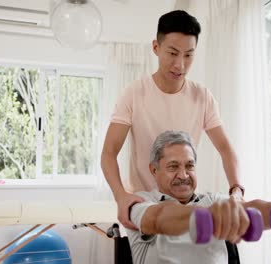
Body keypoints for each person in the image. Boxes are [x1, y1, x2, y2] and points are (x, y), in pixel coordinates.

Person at [101, 10, 243, 230]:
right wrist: (121, 196)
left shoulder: (202, 97)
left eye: (189, 55)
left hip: (185, 205)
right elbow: (109, 152)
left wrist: (236, 190)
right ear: (156, 48)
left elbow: (226, 149)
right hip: (144, 206)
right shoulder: (134, 93)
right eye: (173, 53)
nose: (180, 65)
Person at [127, 131, 271, 264]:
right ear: (154, 170)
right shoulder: (141, 201)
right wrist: (210, 216)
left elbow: (250, 210)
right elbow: (159, 218)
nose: (183, 175)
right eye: (173, 166)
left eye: (189, 166)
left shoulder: (213, 200)